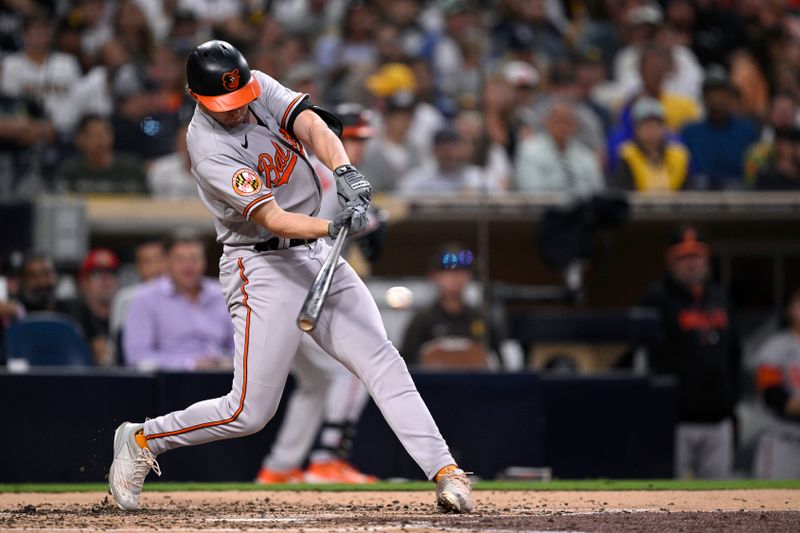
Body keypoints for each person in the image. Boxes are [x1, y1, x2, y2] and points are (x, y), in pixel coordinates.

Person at [107, 40, 473, 513]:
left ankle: (446, 471)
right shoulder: (207, 147)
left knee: (381, 359)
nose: (238, 111)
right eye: (226, 105)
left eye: (240, 100)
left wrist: (345, 172)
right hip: (259, 263)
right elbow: (274, 219)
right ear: (195, 97)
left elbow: (310, 122)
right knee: (248, 412)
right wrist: (334, 223)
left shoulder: (253, 85)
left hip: (316, 252)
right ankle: (142, 439)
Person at [256, 104, 378, 485]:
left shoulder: (307, 167)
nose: (356, 148)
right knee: (355, 368)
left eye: (362, 140)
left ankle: (278, 468)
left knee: (316, 384)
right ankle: (327, 460)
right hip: (299, 287)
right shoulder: (326, 173)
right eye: (351, 138)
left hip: (276, 290)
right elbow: (317, 232)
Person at [634, 227, 740, 479]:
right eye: (682, 257)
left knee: (719, 501)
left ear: (707, 259)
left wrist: (732, 399)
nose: (691, 263)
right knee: (668, 498)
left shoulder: (720, 296)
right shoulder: (656, 298)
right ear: (671, 261)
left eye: (696, 256)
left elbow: (734, 353)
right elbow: (641, 354)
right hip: (674, 421)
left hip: (718, 419)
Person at [122, 232, 233, 370]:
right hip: (171, 381)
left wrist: (231, 362)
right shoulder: (145, 298)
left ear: (205, 262)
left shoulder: (222, 293)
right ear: (167, 262)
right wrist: (189, 364)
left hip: (222, 376)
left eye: (194, 259)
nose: (188, 267)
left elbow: (239, 345)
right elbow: (138, 358)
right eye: (180, 260)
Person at [401, 245, 498, 369]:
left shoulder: (481, 318)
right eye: (447, 272)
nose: (454, 277)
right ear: (434, 276)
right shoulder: (422, 320)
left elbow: (499, 364)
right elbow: (407, 365)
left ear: (469, 276)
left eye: (460, 272)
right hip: (432, 386)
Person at [680, 70, 759, 190]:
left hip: (739, 193)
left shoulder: (747, 130)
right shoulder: (690, 131)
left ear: (730, 96)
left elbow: (753, 171)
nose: (716, 98)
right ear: (704, 98)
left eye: (721, 93)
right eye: (710, 93)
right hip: (700, 193)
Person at [752, 287, 800, 479]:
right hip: (783, 440)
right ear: (789, 310)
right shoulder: (776, 346)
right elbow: (772, 395)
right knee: (772, 504)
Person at [514, 99, 604, 195]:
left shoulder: (585, 155)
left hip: (583, 207)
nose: (562, 127)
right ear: (546, 122)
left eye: (567, 122)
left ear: (575, 125)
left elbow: (597, 189)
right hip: (544, 206)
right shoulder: (529, 150)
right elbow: (531, 190)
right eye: (557, 121)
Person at [56, 114, 148, 194]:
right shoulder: (69, 171)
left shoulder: (132, 168)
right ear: (80, 140)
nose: (100, 141)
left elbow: (146, 201)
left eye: (105, 134)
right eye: (94, 136)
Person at [109, 239, 167, 364]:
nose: (155, 267)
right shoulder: (125, 298)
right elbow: (118, 344)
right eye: (147, 262)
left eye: (159, 259)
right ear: (138, 267)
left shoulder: (182, 295)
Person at [613, 98, 690, 193]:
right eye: (646, 125)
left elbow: (688, 190)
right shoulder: (627, 155)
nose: (651, 131)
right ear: (637, 129)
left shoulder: (679, 155)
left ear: (664, 128)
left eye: (656, 125)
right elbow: (622, 189)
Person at [399, 127, 493, 194]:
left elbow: (498, 198)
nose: (449, 154)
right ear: (434, 151)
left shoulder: (478, 177)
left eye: (453, 148)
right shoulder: (418, 178)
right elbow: (401, 200)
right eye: (444, 150)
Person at [70, 248, 121, 366]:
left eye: (111, 272)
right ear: (82, 282)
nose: (105, 279)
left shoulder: (127, 317)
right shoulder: (72, 317)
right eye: (96, 273)